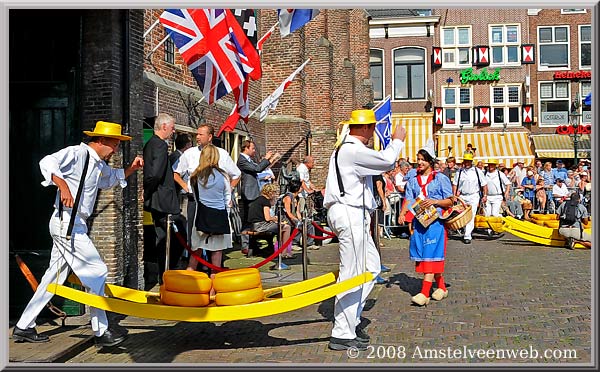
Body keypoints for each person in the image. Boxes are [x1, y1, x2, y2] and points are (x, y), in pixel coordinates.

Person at [13, 121, 143, 347]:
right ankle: (101, 331)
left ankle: (24, 325)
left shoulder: (98, 164)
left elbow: (109, 178)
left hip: (73, 224)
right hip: (68, 224)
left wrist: (131, 169)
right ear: (101, 141)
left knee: (53, 278)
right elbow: (47, 162)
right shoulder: (77, 153)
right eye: (114, 144)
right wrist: (62, 185)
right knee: (98, 270)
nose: (116, 150)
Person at [323, 108, 406, 351]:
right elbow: (386, 161)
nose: (373, 132)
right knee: (352, 272)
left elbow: (378, 166)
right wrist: (397, 140)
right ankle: (342, 331)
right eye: (372, 127)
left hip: (353, 213)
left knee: (370, 268)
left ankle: (350, 321)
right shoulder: (352, 149)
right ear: (367, 128)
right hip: (349, 211)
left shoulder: (349, 149)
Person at [398, 143, 453, 307]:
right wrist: (402, 214)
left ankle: (424, 292)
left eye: (423, 160)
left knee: (430, 254)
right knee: (424, 255)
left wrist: (435, 201)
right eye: (418, 159)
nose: (419, 163)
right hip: (419, 222)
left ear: (430, 161)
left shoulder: (440, 178)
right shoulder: (413, 181)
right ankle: (441, 287)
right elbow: (408, 199)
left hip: (435, 223)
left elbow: (451, 200)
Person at [173, 124, 241, 254]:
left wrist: (229, 192)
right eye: (197, 134)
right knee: (196, 236)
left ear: (210, 137)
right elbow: (176, 172)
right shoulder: (189, 153)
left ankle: (213, 266)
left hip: (217, 203)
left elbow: (236, 174)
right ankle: (196, 265)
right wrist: (186, 187)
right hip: (195, 201)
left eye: (200, 134)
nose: (197, 137)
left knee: (216, 237)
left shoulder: (222, 154)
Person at [143, 113, 184, 283]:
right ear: (164, 126)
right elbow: (155, 174)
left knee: (163, 237)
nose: (173, 131)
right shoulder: (159, 145)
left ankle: (164, 276)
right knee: (175, 235)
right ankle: (167, 274)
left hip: (156, 199)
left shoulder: (150, 144)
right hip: (163, 201)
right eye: (172, 127)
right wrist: (147, 192)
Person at [186, 144, 232, 288]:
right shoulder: (223, 176)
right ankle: (212, 292)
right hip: (219, 218)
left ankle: (189, 288)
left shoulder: (194, 176)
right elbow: (227, 199)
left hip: (201, 217)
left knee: (195, 255)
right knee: (216, 259)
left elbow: (194, 196)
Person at [237, 140, 279, 255]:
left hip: (254, 193)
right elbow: (257, 169)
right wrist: (266, 158)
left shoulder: (249, 160)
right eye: (253, 148)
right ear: (246, 148)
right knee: (248, 220)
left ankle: (252, 245)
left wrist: (270, 160)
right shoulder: (242, 160)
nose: (254, 151)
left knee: (252, 219)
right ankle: (245, 245)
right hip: (249, 193)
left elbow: (259, 167)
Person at [247, 183, 293, 258]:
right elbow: (267, 218)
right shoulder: (265, 201)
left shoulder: (258, 200)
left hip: (253, 225)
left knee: (281, 227)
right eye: (274, 193)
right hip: (260, 226)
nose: (275, 195)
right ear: (270, 192)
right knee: (287, 227)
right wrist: (276, 218)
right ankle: (284, 252)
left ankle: (279, 250)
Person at [452, 152, 488, 244]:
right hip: (462, 196)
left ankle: (467, 235)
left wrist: (485, 195)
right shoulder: (459, 172)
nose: (467, 163)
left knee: (471, 215)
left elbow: (484, 184)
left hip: (473, 195)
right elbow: (455, 184)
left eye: (469, 161)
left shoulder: (477, 171)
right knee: (462, 215)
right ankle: (465, 230)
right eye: (466, 161)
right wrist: (454, 195)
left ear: (471, 161)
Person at [282, 179, 318, 251]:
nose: (302, 188)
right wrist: (297, 221)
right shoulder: (288, 198)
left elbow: (297, 211)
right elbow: (288, 213)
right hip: (285, 219)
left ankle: (309, 243)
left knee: (308, 223)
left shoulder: (297, 198)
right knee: (299, 224)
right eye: (301, 187)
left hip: (293, 217)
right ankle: (294, 243)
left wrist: (301, 219)